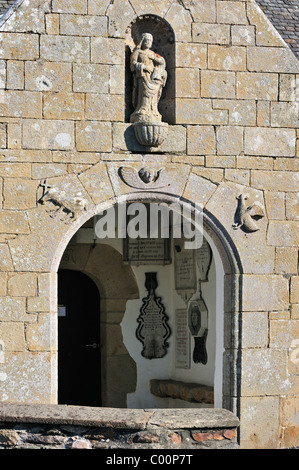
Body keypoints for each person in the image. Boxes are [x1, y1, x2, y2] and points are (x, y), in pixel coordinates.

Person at [130, 32, 167, 123]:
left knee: (153, 96)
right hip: (142, 75)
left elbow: (162, 62)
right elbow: (133, 64)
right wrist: (144, 67)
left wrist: (154, 59)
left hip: (152, 78)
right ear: (143, 41)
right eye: (147, 40)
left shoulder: (152, 54)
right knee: (143, 94)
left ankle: (153, 111)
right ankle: (142, 110)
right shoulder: (137, 52)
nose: (149, 42)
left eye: (151, 40)